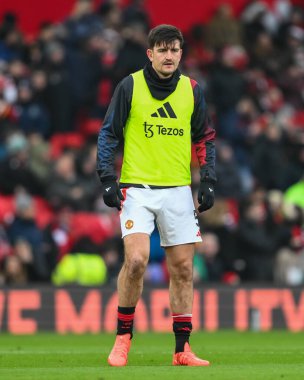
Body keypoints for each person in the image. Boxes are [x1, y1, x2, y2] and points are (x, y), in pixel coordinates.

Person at [97, 24, 216, 367]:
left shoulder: (191, 89)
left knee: (182, 269)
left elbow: (205, 137)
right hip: (138, 189)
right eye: (162, 50)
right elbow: (108, 134)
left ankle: (182, 350)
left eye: (175, 50)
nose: (169, 56)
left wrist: (207, 180)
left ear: (181, 54)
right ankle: (123, 339)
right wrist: (107, 178)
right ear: (150, 54)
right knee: (136, 261)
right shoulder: (130, 86)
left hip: (178, 190)